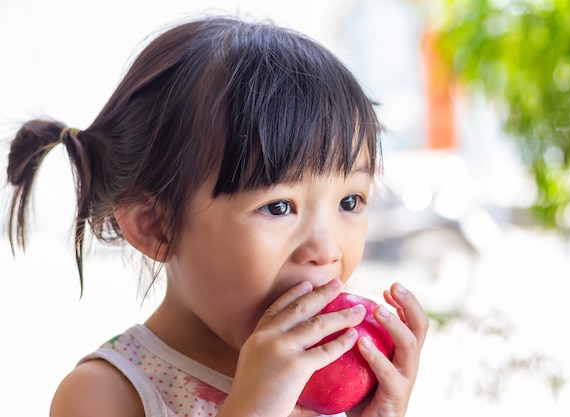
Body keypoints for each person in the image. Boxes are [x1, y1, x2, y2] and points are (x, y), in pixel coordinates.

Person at [5, 14, 428, 417]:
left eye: (350, 202)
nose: (327, 249)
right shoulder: (105, 394)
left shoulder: (322, 378)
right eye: (279, 207)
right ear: (156, 227)